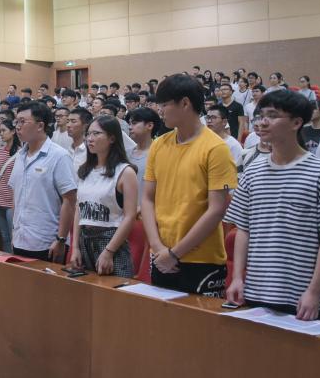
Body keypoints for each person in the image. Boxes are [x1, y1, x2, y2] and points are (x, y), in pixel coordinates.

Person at [225, 90, 320, 320]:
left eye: (272, 116)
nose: (263, 122)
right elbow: (242, 229)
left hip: (302, 298)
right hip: (254, 291)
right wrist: (237, 278)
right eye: (261, 116)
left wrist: (314, 291)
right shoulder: (252, 172)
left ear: (296, 123)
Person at [142, 74, 237, 296]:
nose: (160, 111)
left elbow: (217, 210)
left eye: (164, 105)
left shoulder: (216, 148)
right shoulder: (158, 145)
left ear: (185, 103)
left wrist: (175, 253)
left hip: (201, 260)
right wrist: (157, 247)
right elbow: (147, 198)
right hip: (161, 255)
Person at [8, 101, 78, 262]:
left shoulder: (59, 156)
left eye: (22, 122)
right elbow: (15, 196)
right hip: (20, 239)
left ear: (40, 125)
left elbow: (69, 200)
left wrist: (61, 239)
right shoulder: (19, 156)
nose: (17, 127)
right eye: (16, 122)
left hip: (48, 242)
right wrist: (14, 231)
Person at [72, 116, 139, 277]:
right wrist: (75, 247)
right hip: (84, 239)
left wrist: (109, 251)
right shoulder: (85, 170)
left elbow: (130, 216)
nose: (90, 138)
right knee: (86, 289)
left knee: (114, 289)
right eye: (88, 134)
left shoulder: (125, 172)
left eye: (96, 133)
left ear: (112, 138)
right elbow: (79, 210)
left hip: (111, 240)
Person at [0, 119, 20, 253]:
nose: (1, 134)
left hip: (12, 200)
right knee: (4, 236)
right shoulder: (0, 151)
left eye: (4, 130)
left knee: (13, 235)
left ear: (13, 131)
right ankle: (6, 260)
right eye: (0, 131)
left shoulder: (20, 153)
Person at [127, 107, 161, 202]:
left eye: (134, 123)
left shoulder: (160, 154)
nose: (130, 127)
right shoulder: (125, 153)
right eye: (129, 123)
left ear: (149, 126)